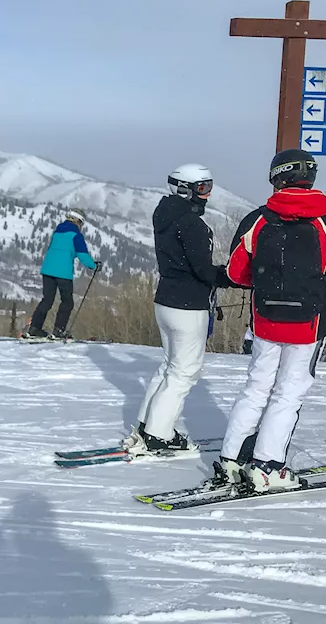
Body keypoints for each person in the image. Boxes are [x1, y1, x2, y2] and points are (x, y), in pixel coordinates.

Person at [213, 149, 326, 492]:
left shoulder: (258, 220)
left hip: (265, 320)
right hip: (310, 323)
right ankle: (267, 465)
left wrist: (267, 278)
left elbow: (237, 273)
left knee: (256, 387)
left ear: (276, 177)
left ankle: (232, 458)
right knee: (288, 393)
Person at [123, 164, 230, 455]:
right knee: (184, 372)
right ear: (186, 189)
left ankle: (146, 427)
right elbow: (204, 271)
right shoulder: (191, 223)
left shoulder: (166, 214)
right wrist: (232, 276)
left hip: (166, 300)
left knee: (169, 367)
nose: (207, 195)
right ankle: (158, 435)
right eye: (203, 188)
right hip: (188, 305)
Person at [23, 208, 97, 340]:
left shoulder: (57, 232)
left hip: (47, 270)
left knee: (47, 300)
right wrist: (94, 266)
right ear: (78, 221)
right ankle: (58, 331)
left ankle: (34, 329)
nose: (81, 227)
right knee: (67, 302)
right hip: (63, 272)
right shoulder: (76, 235)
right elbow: (82, 255)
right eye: (81, 224)